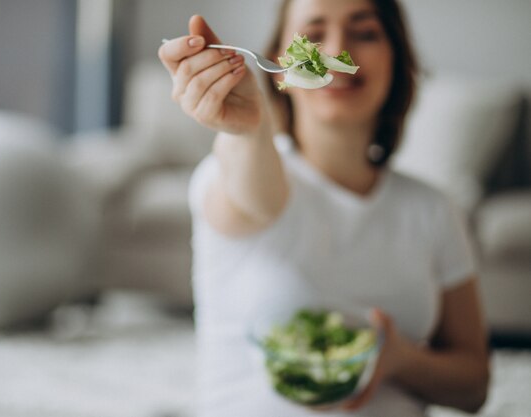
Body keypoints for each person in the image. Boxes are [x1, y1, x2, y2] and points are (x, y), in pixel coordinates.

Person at [158, 0, 489, 416]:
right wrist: (248, 132)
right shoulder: (231, 172)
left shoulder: (434, 209)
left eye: (365, 33)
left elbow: (474, 385)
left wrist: (401, 359)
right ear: (279, 63)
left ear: (397, 57)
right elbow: (258, 198)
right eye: (313, 35)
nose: (335, 50)